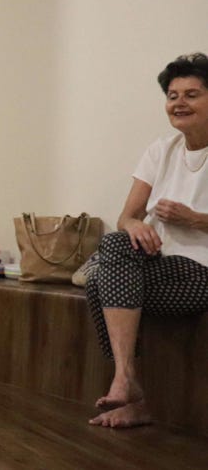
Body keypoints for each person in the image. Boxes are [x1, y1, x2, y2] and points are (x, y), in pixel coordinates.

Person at [87, 52, 208, 429]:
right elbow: (127, 216)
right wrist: (135, 225)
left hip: (200, 273)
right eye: (172, 96)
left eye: (191, 94)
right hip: (157, 267)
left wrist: (195, 220)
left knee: (98, 280)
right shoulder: (161, 149)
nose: (179, 103)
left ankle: (132, 389)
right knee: (112, 251)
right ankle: (127, 379)